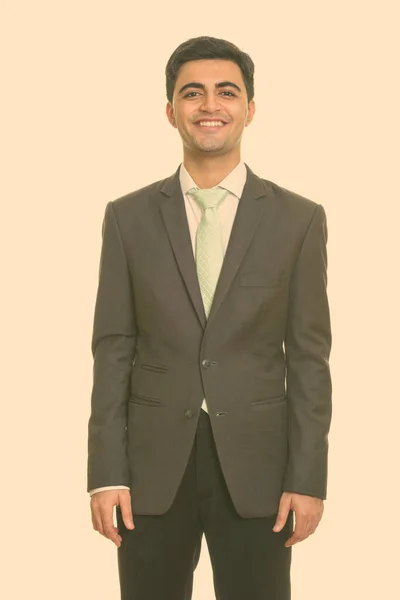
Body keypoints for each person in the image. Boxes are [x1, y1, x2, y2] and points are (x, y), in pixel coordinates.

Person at [87, 35, 332, 600]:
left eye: (227, 91)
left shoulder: (298, 220)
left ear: (250, 108)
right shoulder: (127, 219)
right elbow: (113, 349)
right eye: (192, 93)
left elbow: (310, 359)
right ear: (171, 111)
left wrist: (307, 478)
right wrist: (106, 470)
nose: (209, 106)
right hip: (149, 470)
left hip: (259, 471)